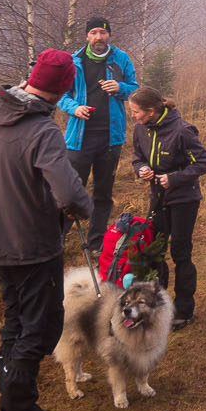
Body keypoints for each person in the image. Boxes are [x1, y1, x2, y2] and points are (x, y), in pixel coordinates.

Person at [0, 48, 93, 411]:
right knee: (38, 330)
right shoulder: (42, 130)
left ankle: (24, 409)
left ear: (29, 78)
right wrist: (84, 208)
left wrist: (11, 94)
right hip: (33, 243)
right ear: (65, 88)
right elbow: (69, 192)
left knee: (17, 324)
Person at [126, 85, 206, 330]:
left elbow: (204, 163)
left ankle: (184, 311)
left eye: (135, 112)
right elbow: (137, 156)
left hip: (185, 200)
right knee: (154, 251)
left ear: (151, 111)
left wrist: (173, 178)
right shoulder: (141, 130)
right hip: (158, 199)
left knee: (181, 254)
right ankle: (156, 305)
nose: (133, 116)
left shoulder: (183, 131)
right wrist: (140, 168)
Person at [57, 16, 140, 255]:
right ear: (86, 36)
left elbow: (135, 89)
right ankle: (58, 240)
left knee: (103, 193)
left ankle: (96, 243)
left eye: (103, 33)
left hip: (110, 138)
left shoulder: (120, 59)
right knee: (71, 190)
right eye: (93, 32)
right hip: (79, 138)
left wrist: (120, 88)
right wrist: (75, 108)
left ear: (109, 35)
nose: (98, 37)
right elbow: (61, 95)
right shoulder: (74, 61)